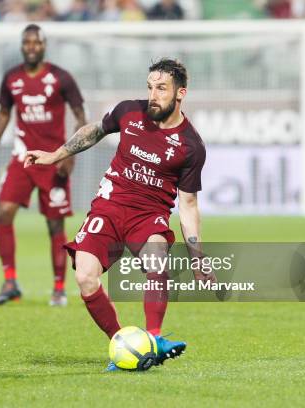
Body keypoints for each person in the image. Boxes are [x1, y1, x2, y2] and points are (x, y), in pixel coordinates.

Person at [25, 59, 216, 369]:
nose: (153, 95)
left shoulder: (191, 145)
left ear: (181, 93)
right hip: (109, 207)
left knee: (157, 260)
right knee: (85, 277)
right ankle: (125, 346)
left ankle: (153, 339)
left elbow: (188, 204)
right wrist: (54, 155)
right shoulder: (130, 111)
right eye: (150, 87)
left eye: (162, 89)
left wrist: (197, 256)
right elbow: (95, 131)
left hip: (149, 214)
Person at [0, 24, 86, 306]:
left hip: (54, 161)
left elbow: (80, 116)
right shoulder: (12, 78)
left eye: (36, 42)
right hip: (22, 159)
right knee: (3, 211)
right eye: (27, 42)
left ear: (44, 45)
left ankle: (58, 288)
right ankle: (10, 281)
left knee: (54, 225)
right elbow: (4, 114)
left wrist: (70, 154)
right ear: (22, 46)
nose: (31, 47)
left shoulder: (61, 78)